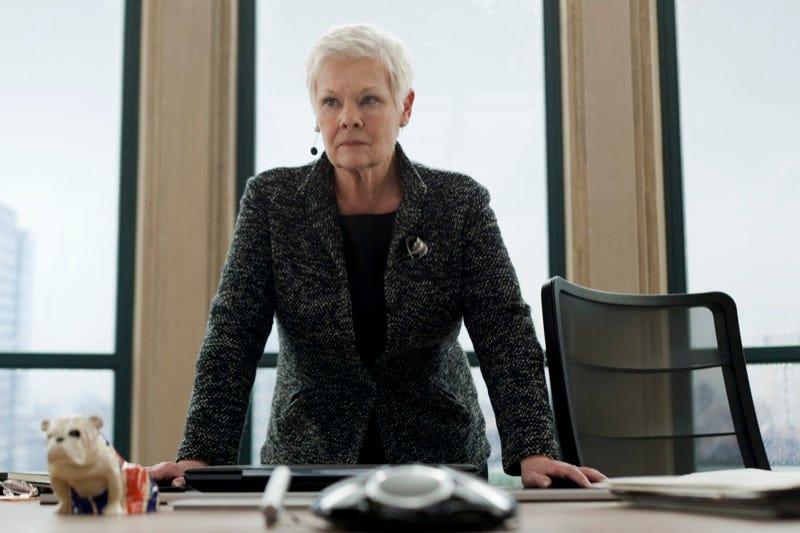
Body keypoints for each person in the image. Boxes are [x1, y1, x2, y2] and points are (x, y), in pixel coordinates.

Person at [149, 23, 605, 489]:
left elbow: (505, 332)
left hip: (439, 463)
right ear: (316, 113)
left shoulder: (459, 203)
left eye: (368, 99)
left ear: (404, 107)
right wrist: (201, 456)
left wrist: (533, 450)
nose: (349, 118)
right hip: (308, 463)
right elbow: (233, 335)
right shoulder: (272, 202)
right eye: (331, 102)